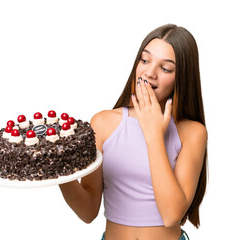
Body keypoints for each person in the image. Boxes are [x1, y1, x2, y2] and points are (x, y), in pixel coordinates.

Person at [59, 24, 207, 240]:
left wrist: (154, 134)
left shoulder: (192, 132)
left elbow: (171, 215)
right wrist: (61, 171)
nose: (149, 72)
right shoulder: (102, 123)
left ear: (181, 78)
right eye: (145, 60)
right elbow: (88, 211)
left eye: (165, 68)